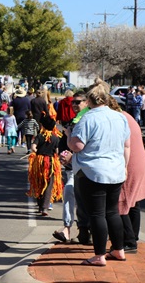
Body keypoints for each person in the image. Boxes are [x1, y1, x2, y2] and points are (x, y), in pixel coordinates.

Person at [67, 79, 130, 266]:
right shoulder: (120, 117)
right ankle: (118, 249)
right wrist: (125, 166)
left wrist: (69, 135)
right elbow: (127, 145)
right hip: (116, 170)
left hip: (93, 171)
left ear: (89, 100)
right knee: (113, 212)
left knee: (97, 214)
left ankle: (99, 255)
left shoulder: (88, 118)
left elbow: (77, 146)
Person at [107, 96, 145, 253]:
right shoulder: (126, 116)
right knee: (133, 203)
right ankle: (133, 237)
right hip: (139, 163)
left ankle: (129, 242)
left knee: (121, 203)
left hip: (129, 165)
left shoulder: (118, 120)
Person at [53, 91, 89, 243]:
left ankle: (85, 232)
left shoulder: (88, 120)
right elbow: (64, 145)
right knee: (69, 191)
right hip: (72, 168)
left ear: (87, 103)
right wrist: (63, 155)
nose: (74, 105)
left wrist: (71, 153)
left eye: (78, 102)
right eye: (73, 102)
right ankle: (67, 228)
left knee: (83, 200)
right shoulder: (73, 121)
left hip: (86, 168)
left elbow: (86, 147)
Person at [27, 112, 62, 216]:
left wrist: (36, 151)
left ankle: (40, 205)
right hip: (51, 163)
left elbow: (33, 147)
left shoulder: (40, 136)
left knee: (39, 182)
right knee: (49, 184)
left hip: (39, 162)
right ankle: (45, 208)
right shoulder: (56, 138)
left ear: (43, 126)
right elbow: (56, 152)